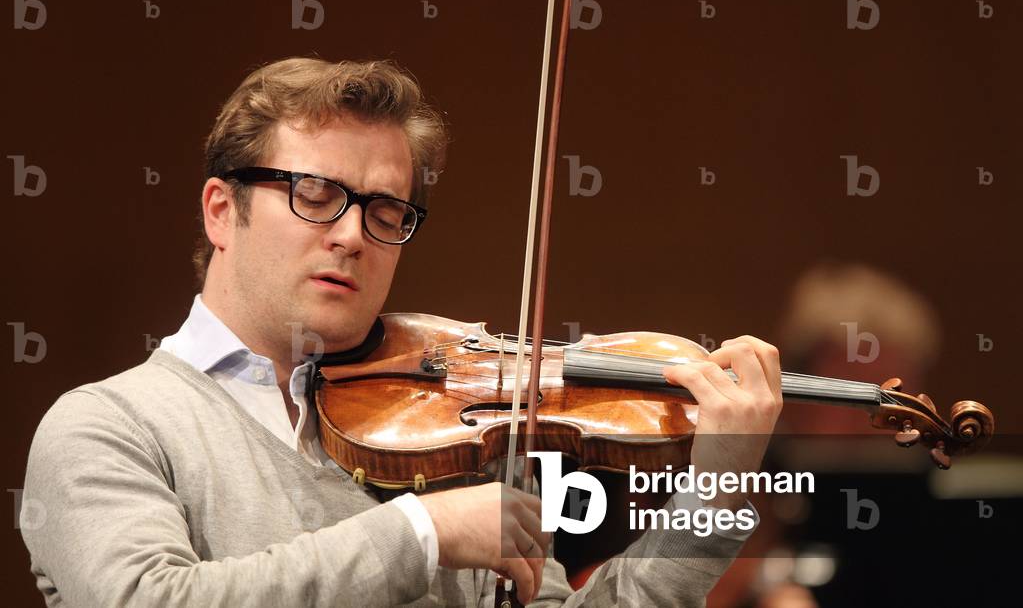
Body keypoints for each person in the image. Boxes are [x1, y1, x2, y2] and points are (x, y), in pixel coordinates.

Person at [20, 57, 784, 606]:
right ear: (222, 211)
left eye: (385, 212)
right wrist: (420, 533)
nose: (353, 235)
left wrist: (714, 492)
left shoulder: (447, 441)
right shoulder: (108, 427)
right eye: (315, 194)